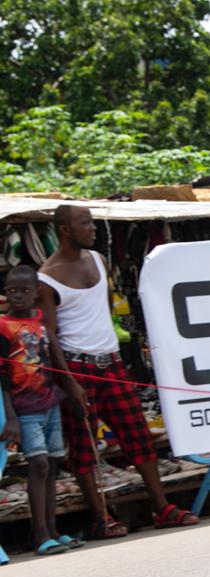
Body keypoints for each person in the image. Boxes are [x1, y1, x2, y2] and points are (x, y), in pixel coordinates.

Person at [38, 206, 199, 538]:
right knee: (84, 446)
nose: (93, 228)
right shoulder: (47, 277)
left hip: (110, 361)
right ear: (65, 229)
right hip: (77, 366)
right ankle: (101, 518)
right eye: (85, 223)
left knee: (137, 434)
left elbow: (107, 309)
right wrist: (68, 380)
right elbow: (49, 334)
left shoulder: (98, 260)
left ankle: (161, 507)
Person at [0, 266, 85, 555]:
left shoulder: (40, 323)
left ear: (36, 293)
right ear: (5, 291)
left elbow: (51, 362)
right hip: (24, 408)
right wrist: (11, 417)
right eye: (12, 290)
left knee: (52, 466)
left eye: (24, 290)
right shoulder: (3, 326)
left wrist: (70, 392)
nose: (18, 295)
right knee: (38, 465)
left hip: (50, 403)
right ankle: (39, 534)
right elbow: (2, 376)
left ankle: (53, 530)